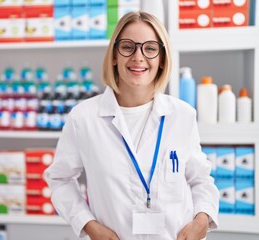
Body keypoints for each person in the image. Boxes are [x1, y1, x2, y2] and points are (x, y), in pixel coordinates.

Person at [45, 11, 219, 240]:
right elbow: (60, 180)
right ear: (114, 55)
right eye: (128, 47)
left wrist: (202, 219)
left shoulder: (182, 116)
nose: (138, 57)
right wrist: (88, 225)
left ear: (161, 59)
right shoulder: (83, 118)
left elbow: (201, 179)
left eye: (150, 48)